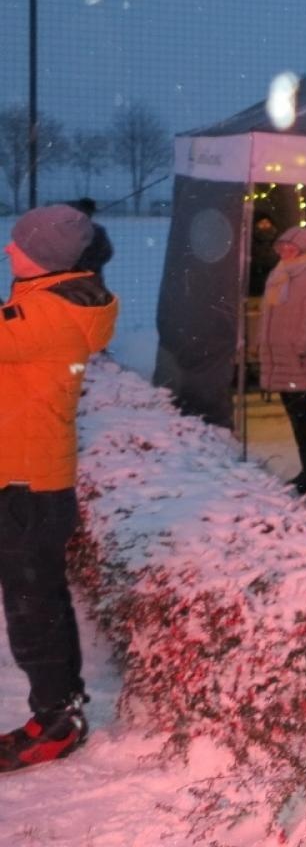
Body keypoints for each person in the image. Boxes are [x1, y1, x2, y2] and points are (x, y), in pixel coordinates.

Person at [0, 206, 117, 772]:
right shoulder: (54, 301)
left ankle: (56, 723)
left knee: (32, 608)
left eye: (16, 246)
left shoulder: (42, 313)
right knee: (40, 600)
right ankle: (58, 710)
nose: (6, 252)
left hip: (27, 483)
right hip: (32, 478)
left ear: (43, 259)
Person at [258, 226, 306, 494]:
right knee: (296, 416)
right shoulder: (280, 272)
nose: (286, 250)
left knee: (301, 416)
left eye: (292, 246)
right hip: (283, 357)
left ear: (303, 248)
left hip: (300, 360)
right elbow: (270, 314)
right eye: (284, 246)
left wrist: (300, 346)